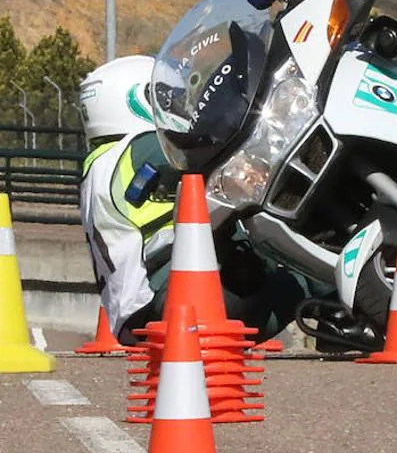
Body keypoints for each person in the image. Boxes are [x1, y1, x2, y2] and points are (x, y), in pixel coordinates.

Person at [78, 55, 323, 346]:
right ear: (134, 98)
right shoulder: (139, 149)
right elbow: (208, 150)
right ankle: (355, 308)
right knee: (304, 263)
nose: (177, 104)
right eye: (165, 96)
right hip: (174, 304)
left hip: (140, 316)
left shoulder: (100, 164)